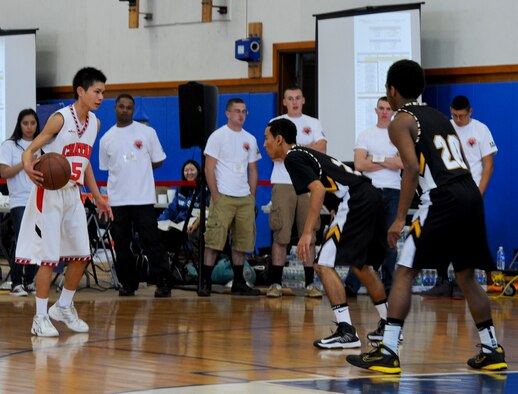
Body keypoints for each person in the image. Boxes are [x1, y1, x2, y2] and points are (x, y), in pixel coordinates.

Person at [346, 59, 507, 373]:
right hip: (470, 194)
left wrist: (399, 218)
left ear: (392, 90)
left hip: (442, 197)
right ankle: (491, 348)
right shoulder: (438, 116)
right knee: (465, 276)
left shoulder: (399, 121)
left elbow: (410, 168)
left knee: (405, 270)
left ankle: (388, 350)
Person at [264, 117, 391, 349]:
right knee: (361, 266)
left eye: (267, 138)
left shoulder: (293, 157)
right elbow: (332, 182)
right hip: (370, 196)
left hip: (356, 200)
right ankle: (389, 326)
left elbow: (319, 189)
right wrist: (334, 211)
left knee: (322, 264)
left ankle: (346, 331)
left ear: (279, 139)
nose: (265, 144)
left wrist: (307, 233)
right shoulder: (307, 154)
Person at [16, 67, 112, 337]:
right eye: (97, 91)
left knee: (82, 255)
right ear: (81, 91)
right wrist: (27, 166)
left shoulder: (95, 123)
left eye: (103, 92)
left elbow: (86, 164)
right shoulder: (60, 119)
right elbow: (32, 148)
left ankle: (64, 307)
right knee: (48, 259)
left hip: (73, 193)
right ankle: (39, 318)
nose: (101, 96)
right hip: (49, 193)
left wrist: (97, 195)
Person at [424, 95, 499, 297]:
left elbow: (488, 164)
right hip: (446, 190)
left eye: (462, 116)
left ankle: (462, 283)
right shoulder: (444, 127)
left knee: (466, 238)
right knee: (441, 236)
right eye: (455, 115)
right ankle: (442, 280)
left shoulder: (480, 129)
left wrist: (479, 192)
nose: (458, 120)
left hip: (469, 190)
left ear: (470, 112)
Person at [99, 94, 172, 298]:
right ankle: (128, 283)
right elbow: (107, 168)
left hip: (143, 198)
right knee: (121, 243)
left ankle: (163, 281)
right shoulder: (106, 139)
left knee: (152, 241)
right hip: (118, 200)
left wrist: (141, 168)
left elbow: (158, 160)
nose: (125, 110)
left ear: (133, 110)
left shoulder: (147, 133)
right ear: (115, 108)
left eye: (129, 107)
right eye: (121, 106)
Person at [267, 86, 326, 298]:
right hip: (283, 182)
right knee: (281, 233)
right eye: (290, 98)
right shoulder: (276, 123)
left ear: (303, 100)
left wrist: (293, 150)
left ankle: (310, 284)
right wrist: (306, 148)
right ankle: (275, 283)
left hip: (308, 182)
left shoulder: (313, 123)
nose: (294, 102)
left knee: (309, 233)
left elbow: (322, 150)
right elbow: (275, 154)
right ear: (284, 101)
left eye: (298, 98)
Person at [198, 98, 261, 297]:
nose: (240, 115)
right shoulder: (218, 136)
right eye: (236, 111)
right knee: (214, 240)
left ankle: (239, 282)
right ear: (227, 113)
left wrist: (252, 196)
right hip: (223, 196)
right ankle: (205, 281)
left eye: (244, 112)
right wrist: (216, 195)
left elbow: (252, 169)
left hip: (244, 198)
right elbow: (209, 169)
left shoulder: (249, 139)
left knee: (242, 242)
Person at [344, 97, 402, 297]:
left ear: (393, 112)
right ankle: (351, 286)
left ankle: (388, 286)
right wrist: (388, 161)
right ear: (375, 110)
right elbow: (360, 164)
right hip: (370, 191)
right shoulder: (365, 134)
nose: (385, 112)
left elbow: (402, 163)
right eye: (381, 108)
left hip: (393, 191)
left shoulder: (399, 135)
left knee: (389, 240)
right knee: (363, 239)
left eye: (388, 109)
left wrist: (375, 158)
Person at [0, 109, 41, 296]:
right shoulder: (9, 145)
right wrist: (25, 163)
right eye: (25, 123)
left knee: (36, 241)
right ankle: (16, 282)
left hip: (40, 199)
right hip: (19, 199)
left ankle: (30, 281)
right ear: (19, 124)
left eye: (32, 123)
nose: (29, 127)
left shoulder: (42, 144)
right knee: (22, 239)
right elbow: (4, 173)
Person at [158, 159, 208, 262]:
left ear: (198, 171)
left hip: (196, 222)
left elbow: (208, 209)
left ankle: (200, 264)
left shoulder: (205, 189)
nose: (189, 173)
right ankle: (166, 262)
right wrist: (159, 220)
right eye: (186, 170)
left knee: (196, 234)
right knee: (160, 231)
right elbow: (172, 209)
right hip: (180, 223)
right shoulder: (180, 188)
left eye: (192, 169)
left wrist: (196, 223)